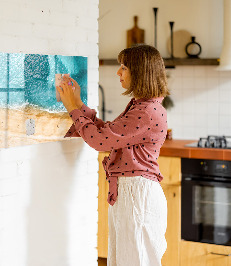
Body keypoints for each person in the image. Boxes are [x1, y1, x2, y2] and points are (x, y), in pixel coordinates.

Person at [57, 44, 169, 266]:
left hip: (137, 195)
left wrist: (72, 108)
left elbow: (100, 141)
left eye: (124, 67)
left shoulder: (146, 111)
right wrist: (79, 104)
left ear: (140, 72)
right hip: (132, 193)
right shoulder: (142, 106)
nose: (118, 72)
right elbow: (108, 133)